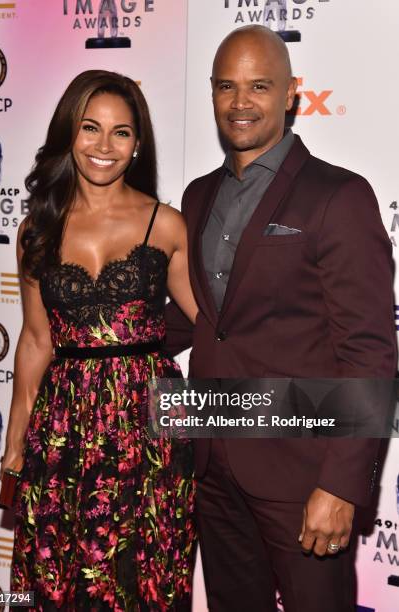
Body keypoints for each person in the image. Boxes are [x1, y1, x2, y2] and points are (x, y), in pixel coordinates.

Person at [165, 25, 397, 612]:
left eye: (259, 86)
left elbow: (369, 351)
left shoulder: (337, 197)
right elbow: (199, 319)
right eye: (226, 87)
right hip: (213, 464)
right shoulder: (195, 199)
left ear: (292, 93)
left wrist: (341, 485)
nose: (240, 102)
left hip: (302, 476)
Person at [0, 70, 198, 611]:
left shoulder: (166, 225)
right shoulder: (37, 227)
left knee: (145, 574)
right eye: (91, 128)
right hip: (65, 425)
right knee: (59, 573)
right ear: (70, 132)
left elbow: (211, 324)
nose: (104, 146)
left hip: (149, 427)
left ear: (137, 145)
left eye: (121, 133)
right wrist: (16, 441)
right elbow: (37, 339)